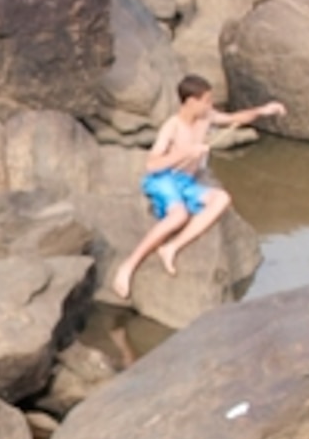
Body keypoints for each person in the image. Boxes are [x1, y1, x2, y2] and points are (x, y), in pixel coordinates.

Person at [112, 73, 287, 297]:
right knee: (179, 216)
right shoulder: (172, 126)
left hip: (186, 182)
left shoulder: (206, 118)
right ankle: (128, 266)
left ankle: (171, 247)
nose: (210, 105)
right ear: (191, 102)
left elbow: (235, 118)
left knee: (221, 199)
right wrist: (185, 152)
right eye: (206, 100)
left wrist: (264, 110)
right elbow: (152, 164)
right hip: (163, 179)